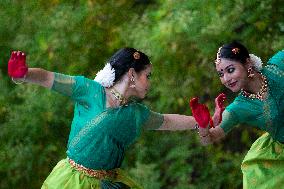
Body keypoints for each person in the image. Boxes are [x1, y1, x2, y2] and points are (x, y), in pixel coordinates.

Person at [8, 48, 202, 189]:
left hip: (109, 183)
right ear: (132, 74)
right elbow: (48, 78)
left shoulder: (135, 113)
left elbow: (166, 121)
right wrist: (23, 75)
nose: (150, 82)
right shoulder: (90, 91)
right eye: (148, 76)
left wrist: (199, 122)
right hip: (72, 183)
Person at [190, 41, 284, 188]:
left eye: (230, 70)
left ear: (247, 64)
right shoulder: (238, 108)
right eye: (221, 74)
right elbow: (210, 138)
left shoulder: (278, 65)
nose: (226, 79)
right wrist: (203, 126)